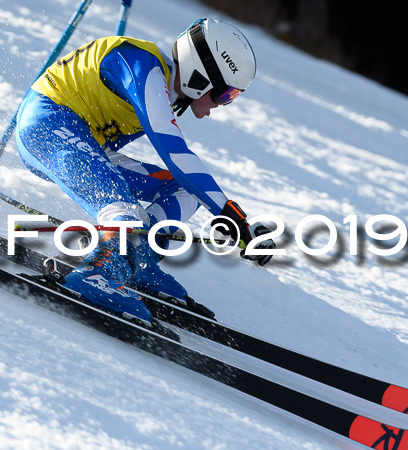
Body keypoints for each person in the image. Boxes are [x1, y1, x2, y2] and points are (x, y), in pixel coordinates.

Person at [15, 18, 276, 327]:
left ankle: (137, 262)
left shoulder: (164, 85)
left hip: (84, 144)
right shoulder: (144, 68)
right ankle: (97, 273)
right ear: (200, 77)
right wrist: (229, 215)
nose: (224, 104)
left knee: (179, 189)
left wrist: (231, 217)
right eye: (225, 95)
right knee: (124, 206)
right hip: (46, 130)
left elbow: (182, 172)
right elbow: (174, 149)